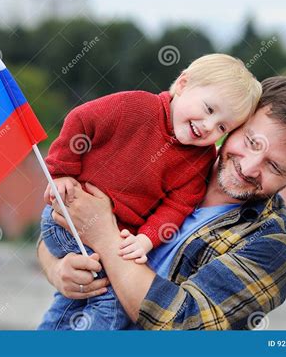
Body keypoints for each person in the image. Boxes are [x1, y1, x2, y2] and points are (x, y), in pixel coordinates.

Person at [37, 76, 286, 330]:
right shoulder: (170, 158)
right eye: (251, 142)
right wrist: (57, 269)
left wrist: (104, 237)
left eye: (275, 167)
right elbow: (64, 222)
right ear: (237, 122)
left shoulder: (274, 244)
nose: (249, 167)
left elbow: (184, 326)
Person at [39, 54, 262, 330]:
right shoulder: (135, 107)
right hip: (68, 218)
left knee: (74, 299)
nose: (207, 126)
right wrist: (61, 171)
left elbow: (178, 206)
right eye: (208, 109)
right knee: (112, 301)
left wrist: (146, 238)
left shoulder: (200, 160)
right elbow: (81, 120)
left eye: (222, 127)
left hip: (108, 236)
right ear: (182, 84)